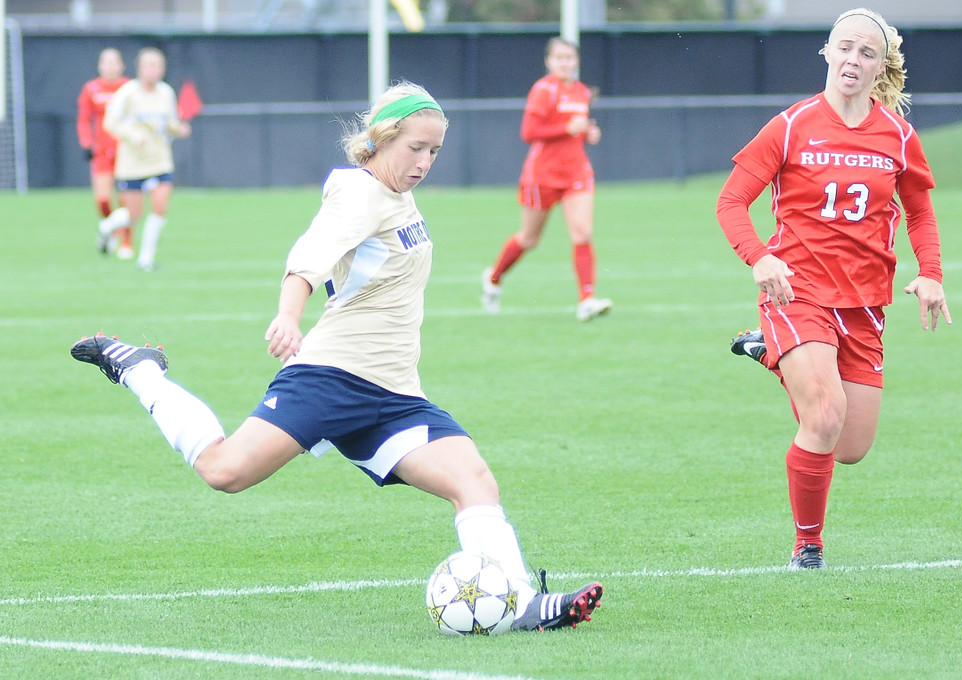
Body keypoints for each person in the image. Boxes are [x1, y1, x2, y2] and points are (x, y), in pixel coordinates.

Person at [71, 82, 603, 632]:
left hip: (395, 394)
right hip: (332, 378)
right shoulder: (359, 192)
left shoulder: (398, 194)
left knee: (474, 482)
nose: (424, 162)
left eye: (435, 151)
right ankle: (138, 367)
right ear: (382, 138)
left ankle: (521, 606)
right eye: (415, 147)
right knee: (224, 470)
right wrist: (287, 315)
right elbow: (309, 259)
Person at [716, 8, 952, 569]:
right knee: (823, 415)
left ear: (881, 67)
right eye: (844, 47)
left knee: (849, 447)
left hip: (866, 302)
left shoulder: (898, 135)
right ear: (826, 52)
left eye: (867, 53)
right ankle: (808, 546)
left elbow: (919, 210)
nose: (854, 59)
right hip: (797, 292)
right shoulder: (791, 125)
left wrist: (931, 273)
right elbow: (730, 202)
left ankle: (768, 352)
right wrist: (760, 257)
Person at [481, 37, 612, 322]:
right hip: (542, 176)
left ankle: (586, 300)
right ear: (549, 61)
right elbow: (529, 132)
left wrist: (587, 134)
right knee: (529, 238)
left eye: (570, 58)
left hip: (576, 173)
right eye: (559, 58)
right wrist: (567, 127)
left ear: (576, 61)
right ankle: (493, 279)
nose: (565, 62)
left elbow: (575, 131)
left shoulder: (580, 92)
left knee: (582, 232)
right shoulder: (543, 90)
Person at [99, 47, 191, 271]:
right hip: (132, 162)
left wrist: (179, 129)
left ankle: (146, 258)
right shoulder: (127, 93)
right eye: (149, 65)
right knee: (134, 215)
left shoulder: (166, 93)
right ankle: (107, 226)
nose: (154, 70)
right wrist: (132, 135)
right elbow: (110, 122)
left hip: (159, 160)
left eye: (158, 65)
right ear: (139, 68)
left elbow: (169, 123)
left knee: (160, 205)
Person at [76, 47, 131, 258]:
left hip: (125, 151)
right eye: (105, 62)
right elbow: (83, 118)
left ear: (121, 65)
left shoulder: (128, 88)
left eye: (114, 62)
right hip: (101, 152)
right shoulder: (91, 89)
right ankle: (113, 230)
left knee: (127, 199)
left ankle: (127, 242)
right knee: (103, 200)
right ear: (99, 66)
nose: (109, 66)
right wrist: (86, 143)